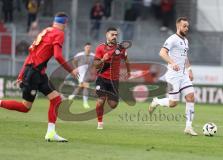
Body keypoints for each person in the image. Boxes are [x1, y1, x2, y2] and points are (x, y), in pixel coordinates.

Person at [0, 12, 78, 142]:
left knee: (56, 99)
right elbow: (58, 56)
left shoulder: (46, 31)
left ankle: (51, 133)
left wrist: (21, 74)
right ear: (64, 23)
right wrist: (71, 70)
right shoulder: (59, 33)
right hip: (34, 74)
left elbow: (31, 54)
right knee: (26, 107)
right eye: (66, 23)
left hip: (38, 73)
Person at [148, 17, 198, 136]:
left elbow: (185, 57)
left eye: (187, 26)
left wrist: (189, 70)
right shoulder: (172, 39)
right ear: (178, 26)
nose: (187, 28)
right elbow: (162, 52)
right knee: (173, 104)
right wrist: (172, 62)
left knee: (191, 97)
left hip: (183, 75)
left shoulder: (185, 41)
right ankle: (157, 102)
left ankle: (188, 127)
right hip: (173, 76)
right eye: (184, 26)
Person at [94, 27, 131, 129]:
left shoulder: (121, 48)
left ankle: (106, 97)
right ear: (107, 35)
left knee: (113, 105)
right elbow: (96, 65)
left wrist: (129, 72)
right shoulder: (100, 48)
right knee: (101, 100)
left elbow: (126, 60)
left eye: (116, 35)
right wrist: (102, 59)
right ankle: (100, 123)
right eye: (112, 35)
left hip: (114, 80)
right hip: (102, 78)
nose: (115, 36)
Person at [68, 42, 95, 109]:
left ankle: (73, 96)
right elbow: (74, 61)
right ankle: (84, 102)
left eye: (89, 47)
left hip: (88, 73)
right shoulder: (80, 54)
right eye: (87, 47)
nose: (88, 49)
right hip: (81, 73)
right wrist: (75, 68)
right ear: (84, 48)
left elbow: (96, 63)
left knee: (82, 86)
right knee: (84, 86)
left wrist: (92, 69)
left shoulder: (93, 55)